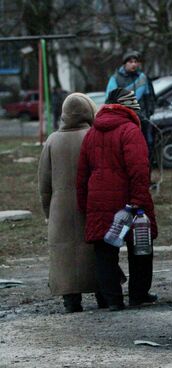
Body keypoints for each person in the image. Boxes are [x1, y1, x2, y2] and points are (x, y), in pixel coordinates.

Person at [76, 87, 158, 311]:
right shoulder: (130, 130)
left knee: (104, 251)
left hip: (98, 201)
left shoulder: (92, 133)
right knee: (140, 245)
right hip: (127, 201)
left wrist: (85, 204)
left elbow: (82, 174)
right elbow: (139, 169)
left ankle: (113, 300)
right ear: (128, 108)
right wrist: (138, 200)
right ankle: (138, 295)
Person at [38, 93, 100, 313]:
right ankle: (102, 293)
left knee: (63, 253)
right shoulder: (92, 136)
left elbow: (44, 183)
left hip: (60, 208)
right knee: (94, 249)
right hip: (90, 202)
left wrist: (48, 210)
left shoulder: (53, 141)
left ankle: (71, 301)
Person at [106, 50, 156, 162]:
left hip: (142, 119)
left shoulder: (143, 78)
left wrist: (149, 112)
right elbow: (110, 100)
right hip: (124, 121)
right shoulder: (115, 79)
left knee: (146, 149)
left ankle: (146, 177)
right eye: (130, 62)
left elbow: (150, 97)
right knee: (127, 150)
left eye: (135, 62)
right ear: (124, 64)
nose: (134, 64)